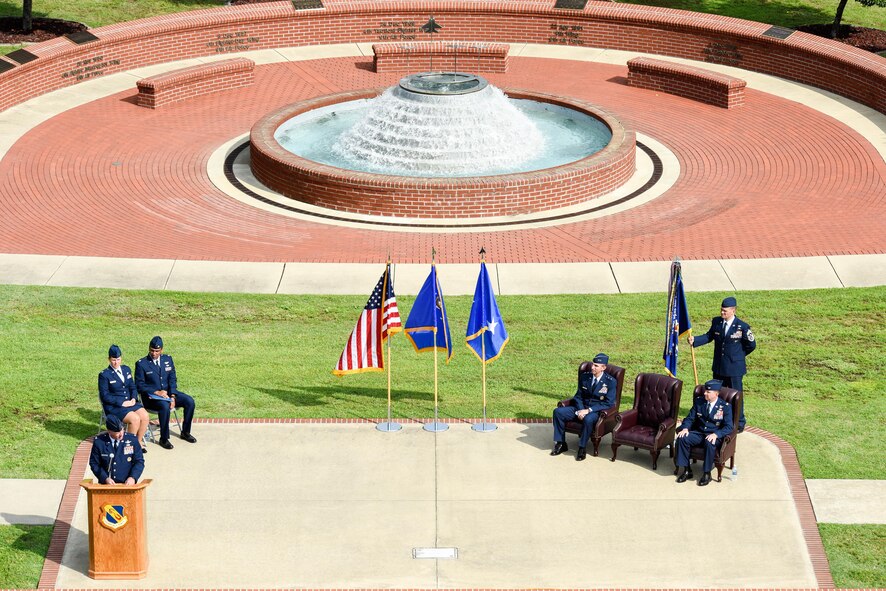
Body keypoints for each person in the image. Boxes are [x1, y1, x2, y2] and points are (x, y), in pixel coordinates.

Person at [688, 296, 756, 431]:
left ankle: (739, 422)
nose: (722, 313)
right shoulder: (717, 322)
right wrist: (695, 340)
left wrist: (738, 357)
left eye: (725, 311)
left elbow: (751, 345)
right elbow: (709, 336)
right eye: (721, 310)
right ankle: (720, 420)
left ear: (733, 310)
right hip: (719, 367)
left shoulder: (742, 327)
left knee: (736, 396)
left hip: (734, 369)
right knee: (719, 395)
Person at [551, 353, 618, 461]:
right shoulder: (585, 377)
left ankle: (582, 448)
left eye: (596, 365)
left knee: (588, 419)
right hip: (581, 407)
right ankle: (561, 443)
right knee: (558, 412)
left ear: (603, 368)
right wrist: (580, 410)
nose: (592, 367)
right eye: (593, 364)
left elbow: (608, 403)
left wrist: (588, 410)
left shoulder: (610, 382)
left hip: (595, 411)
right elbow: (578, 396)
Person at [135, 336, 197, 449]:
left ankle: (185, 432)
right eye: (152, 350)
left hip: (169, 394)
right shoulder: (141, 364)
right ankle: (164, 439)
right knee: (164, 406)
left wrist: (172, 396)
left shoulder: (167, 359)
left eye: (157, 351)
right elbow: (139, 385)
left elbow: (172, 379)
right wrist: (156, 392)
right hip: (152, 398)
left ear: (161, 350)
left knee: (189, 401)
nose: (154, 353)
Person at [675, 379, 733, 486]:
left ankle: (707, 474)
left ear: (716, 393)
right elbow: (690, 418)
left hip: (714, 435)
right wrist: (685, 428)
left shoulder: (725, 407)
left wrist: (717, 434)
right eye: (705, 391)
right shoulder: (699, 402)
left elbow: (729, 427)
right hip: (699, 433)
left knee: (709, 443)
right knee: (682, 438)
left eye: (708, 392)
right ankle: (687, 470)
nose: (705, 393)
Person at [99, 345, 150, 452]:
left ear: (121, 358)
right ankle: (128, 447)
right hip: (115, 407)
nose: (116, 362)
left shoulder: (126, 369)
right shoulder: (104, 375)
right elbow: (105, 396)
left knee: (145, 416)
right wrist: (122, 403)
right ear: (109, 359)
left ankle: (138, 442)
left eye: (118, 359)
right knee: (135, 419)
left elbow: (132, 386)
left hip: (131, 403)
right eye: (113, 360)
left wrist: (133, 398)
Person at [89, 415, 145, 485]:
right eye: (117, 433)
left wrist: (133, 477)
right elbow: (94, 463)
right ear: (109, 431)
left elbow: (139, 461)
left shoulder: (132, 440)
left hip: (127, 484)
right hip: (107, 485)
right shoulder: (100, 442)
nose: (121, 434)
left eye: (122, 430)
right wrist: (105, 478)